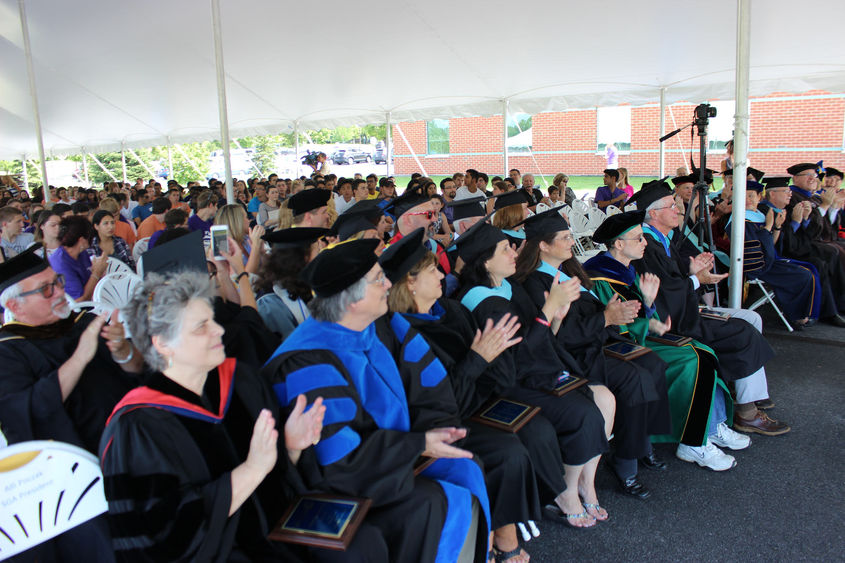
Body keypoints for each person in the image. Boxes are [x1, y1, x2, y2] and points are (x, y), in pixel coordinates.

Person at [101, 270, 388, 561]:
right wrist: (252, 470)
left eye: (213, 319)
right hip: (222, 554)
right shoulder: (138, 427)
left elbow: (278, 486)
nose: (220, 330)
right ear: (162, 343)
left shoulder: (241, 382)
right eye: (202, 327)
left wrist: (289, 446)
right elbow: (168, 537)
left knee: (366, 542)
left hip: (276, 531)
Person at [262, 239, 490, 562]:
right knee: (432, 500)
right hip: (346, 484)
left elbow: (429, 388)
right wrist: (415, 445)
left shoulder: (375, 328)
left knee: (463, 467)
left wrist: (431, 434)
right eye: (377, 279)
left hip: (389, 460)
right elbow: (336, 461)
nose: (387, 284)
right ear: (351, 301)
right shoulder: (308, 362)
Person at [380, 229, 563, 562]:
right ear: (409, 283)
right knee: (507, 451)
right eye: (433, 271)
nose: (443, 274)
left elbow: (497, 373)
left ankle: (507, 527)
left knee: (535, 428)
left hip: (476, 403)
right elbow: (441, 401)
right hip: (439, 421)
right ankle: (502, 542)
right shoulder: (401, 333)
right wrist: (478, 359)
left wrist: (489, 359)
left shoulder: (450, 310)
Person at [455, 221, 613, 528]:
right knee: (583, 413)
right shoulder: (482, 300)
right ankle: (565, 492)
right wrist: (550, 306)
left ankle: (582, 484)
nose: (514, 251)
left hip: (534, 370)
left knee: (595, 401)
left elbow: (538, 338)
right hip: (506, 383)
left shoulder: (507, 286)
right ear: (486, 261)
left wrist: (555, 318)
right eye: (505, 248)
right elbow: (516, 357)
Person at [515, 208, 672, 495]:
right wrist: (606, 319)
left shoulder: (569, 271)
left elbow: (595, 313)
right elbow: (558, 337)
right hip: (573, 355)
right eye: (564, 237)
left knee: (652, 363)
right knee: (633, 378)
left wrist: (621, 313)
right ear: (543, 245)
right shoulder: (535, 283)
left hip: (597, 342)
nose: (571, 241)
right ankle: (626, 464)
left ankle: (643, 442)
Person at [0, 246, 143, 561]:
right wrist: (82, 355)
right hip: (79, 470)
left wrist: (122, 350)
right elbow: (26, 412)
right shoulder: (8, 352)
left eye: (59, 282)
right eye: (45, 289)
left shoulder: (80, 321)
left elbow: (137, 372)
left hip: (135, 438)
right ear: (14, 306)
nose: (60, 293)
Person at [585, 211, 749, 471]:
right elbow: (617, 328)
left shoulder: (627, 269)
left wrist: (652, 316)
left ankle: (707, 427)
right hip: (615, 348)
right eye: (638, 238)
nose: (645, 243)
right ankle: (693, 442)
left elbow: (640, 315)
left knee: (704, 352)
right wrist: (649, 313)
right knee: (694, 359)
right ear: (618, 244)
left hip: (642, 338)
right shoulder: (598, 276)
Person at [626, 180, 790, 436]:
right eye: (671, 206)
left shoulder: (664, 239)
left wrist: (693, 270)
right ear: (655, 214)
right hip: (674, 320)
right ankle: (746, 413)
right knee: (743, 331)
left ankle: (747, 388)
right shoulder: (646, 244)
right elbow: (663, 290)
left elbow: (675, 274)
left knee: (752, 319)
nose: (678, 210)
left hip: (686, 308)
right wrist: (694, 280)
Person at [737, 180, 820, 327]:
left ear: (759, 197)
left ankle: (802, 314)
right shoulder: (742, 219)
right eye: (744, 196)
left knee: (810, 269)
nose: (748, 200)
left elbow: (771, 244)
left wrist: (776, 227)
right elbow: (756, 253)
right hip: (758, 266)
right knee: (804, 275)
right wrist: (769, 227)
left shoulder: (759, 215)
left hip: (769, 260)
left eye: (752, 196)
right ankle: (797, 316)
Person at [255, 227, 328, 340]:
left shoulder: (304, 286)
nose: (318, 257)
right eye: (316, 251)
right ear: (305, 258)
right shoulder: (269, 303)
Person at [47, 216, 108, 301]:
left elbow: (91, 282)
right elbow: (79, 300)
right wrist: (97, 272)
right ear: (82, 240)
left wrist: (99, 272)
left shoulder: (82, 253)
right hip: (78, 310)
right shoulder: (60, 263)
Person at [214, 204, 265, 274]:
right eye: (246, 217)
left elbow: (266, 266)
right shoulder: (225, 248)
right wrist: (256, 246)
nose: (249, 220)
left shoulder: (246, 239)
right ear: (237, 222)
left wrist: (262, 251)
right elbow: (245, 278)